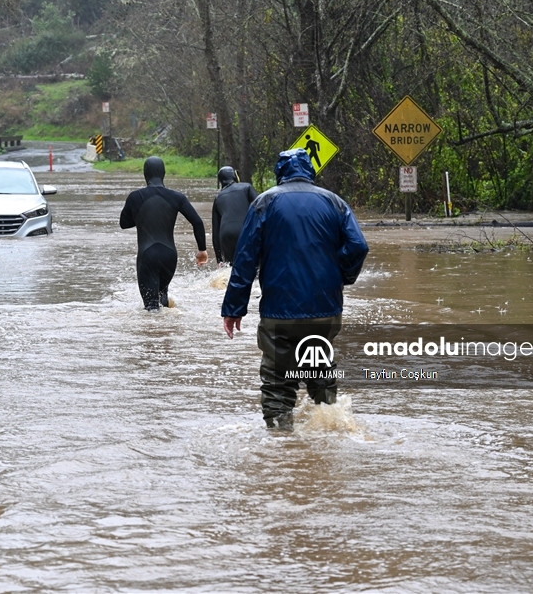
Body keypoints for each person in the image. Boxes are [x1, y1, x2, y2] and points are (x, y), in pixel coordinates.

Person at [221, 149, 368, 431]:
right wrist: (343, 276)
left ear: (280, 172)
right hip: (325, 309)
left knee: (277, 381)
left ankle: (281, 448)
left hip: (280, 311)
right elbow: (358, 246)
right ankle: (330, 437)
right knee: (321, 374)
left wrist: (233, 309)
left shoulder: (265, 203)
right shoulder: (334, 202)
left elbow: (245, 261)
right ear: (309, 171)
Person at [120, 156, 209, 310]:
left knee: (151, 309)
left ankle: (155, 332)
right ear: (163, 174)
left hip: (147, 256)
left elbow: (124, 224)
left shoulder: (135, 197)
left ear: (145, 174)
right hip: (169, 256)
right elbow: (197, 222)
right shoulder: (177, 197)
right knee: (163, 300)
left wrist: (143, 218)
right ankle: (168, 332)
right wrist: (202, 250)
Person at [211, 166, 257, 265]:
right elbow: (261, 208)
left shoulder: (218, 197)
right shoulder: (247, 187)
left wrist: (219, 259)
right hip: (245, 230)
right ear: (235, 176)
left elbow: (215, 232)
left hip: (226, 234)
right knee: (254, 267)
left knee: (231, 269)